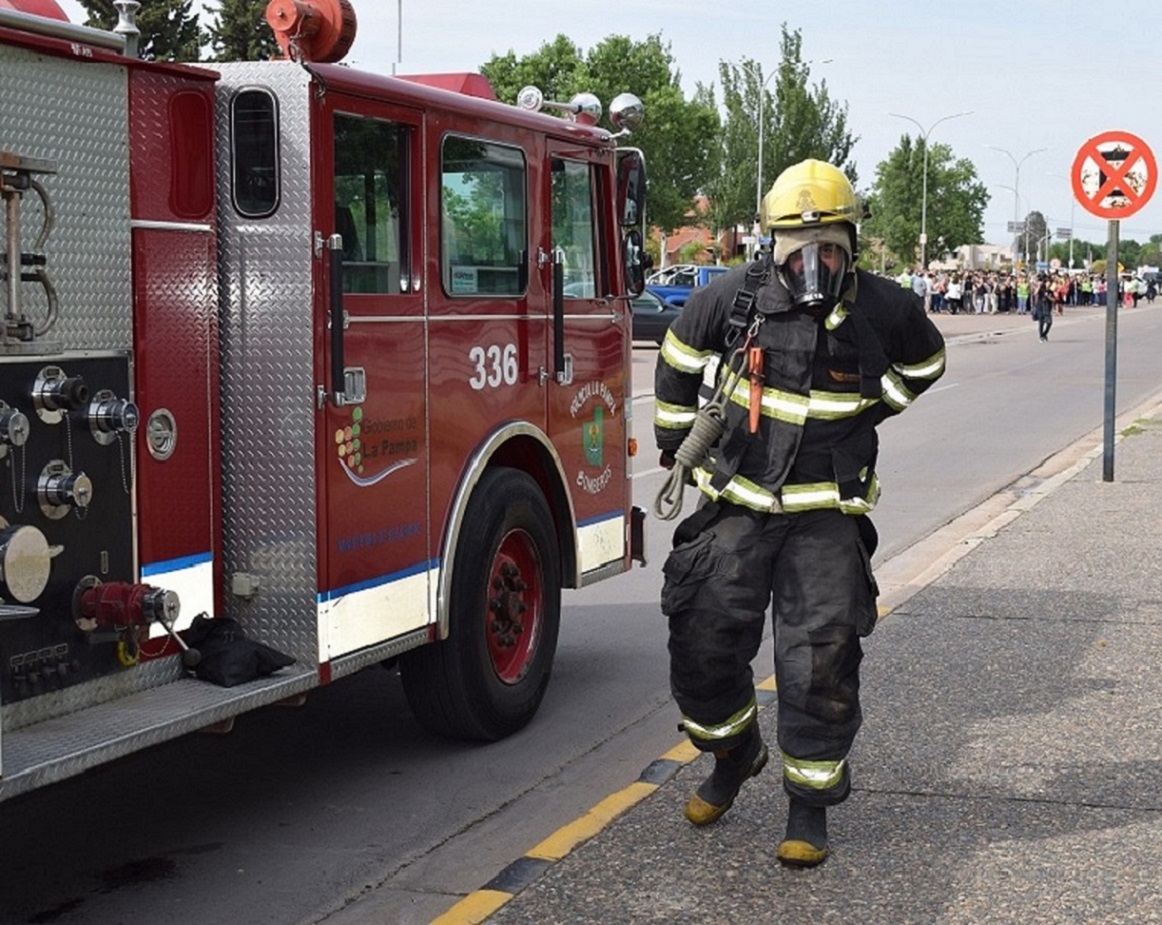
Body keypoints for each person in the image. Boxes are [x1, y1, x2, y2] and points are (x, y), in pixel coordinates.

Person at [653, 159, 946, 867]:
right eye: (800, 250)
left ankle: (807, 808)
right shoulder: (734, 298)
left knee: (820, 661)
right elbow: (677, 354)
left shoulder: (884, 308)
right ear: (775, 247)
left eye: (831, 249)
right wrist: (677, 440)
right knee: (702, 641)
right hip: (737, 504)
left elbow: (927, 363)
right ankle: (734, 755)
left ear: (851, 245)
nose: (816, 264)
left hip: (825, 514)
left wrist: (869, 411)